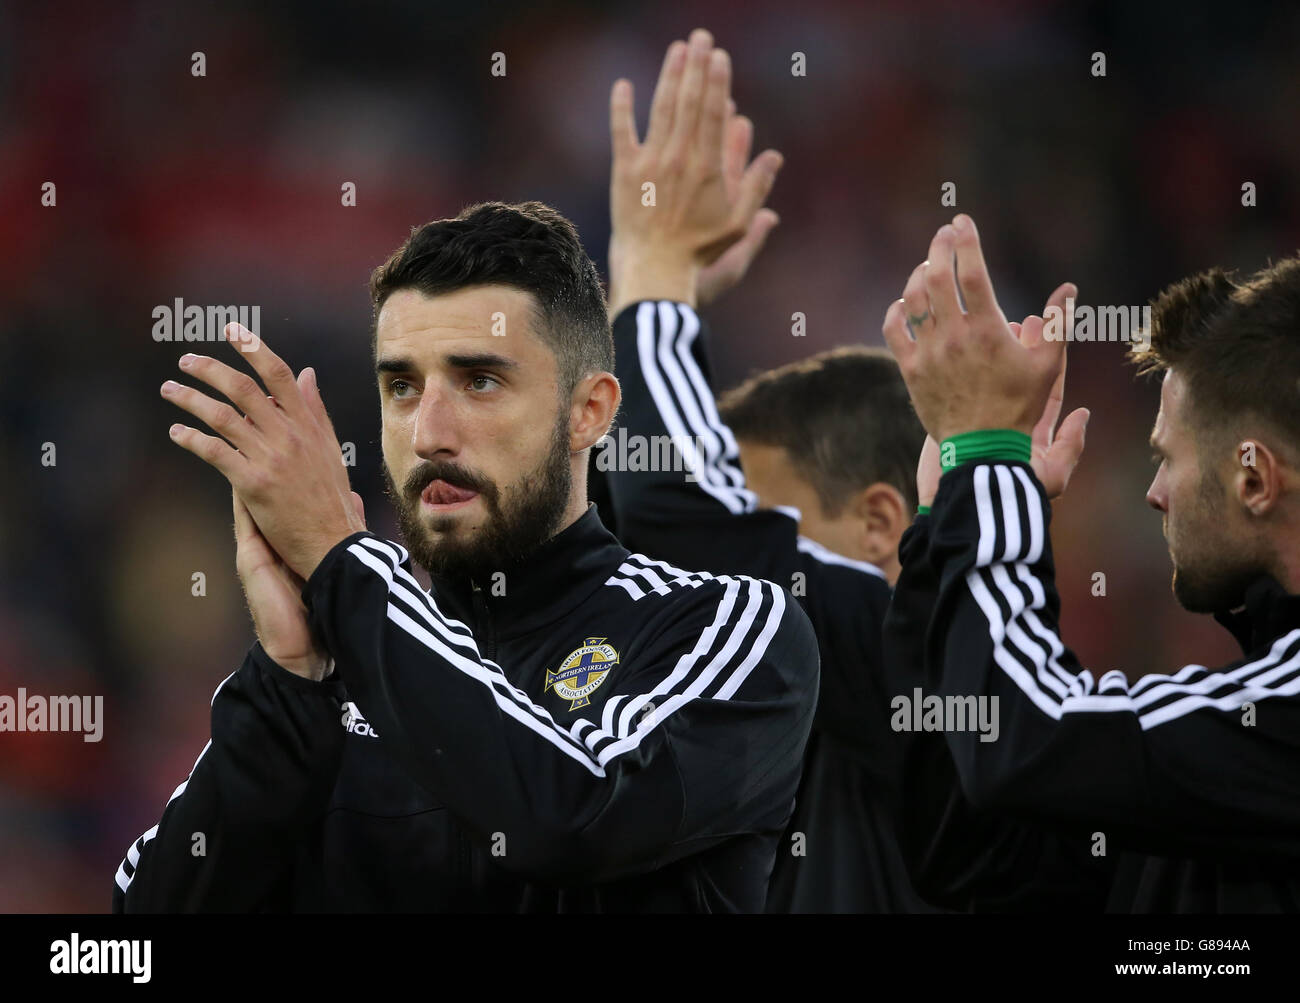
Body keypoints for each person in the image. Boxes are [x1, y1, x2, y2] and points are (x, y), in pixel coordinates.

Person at [113, 194, 818, 913]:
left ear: (590, 411)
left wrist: (345, 564)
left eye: (480, 381)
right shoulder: (335, 670)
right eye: (401, 386)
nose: (429, 433)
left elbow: (576, 818)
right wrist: (288, 688)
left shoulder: (721, 625)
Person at [602, 30, 935, 911]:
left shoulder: (926, 661)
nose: (699, 578)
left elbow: (679, 512)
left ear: (878, 526)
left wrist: (654, 274)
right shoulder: (792, 726)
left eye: (757, 511)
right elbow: (618, 531)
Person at [881, 213, 1300, 912]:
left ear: (1253, 478)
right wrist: (940, 531)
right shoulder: (1242, 745)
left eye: (1168, 456)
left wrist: (987, 468)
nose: (1154, 492)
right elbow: (978, 855)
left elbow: (1028, 734)